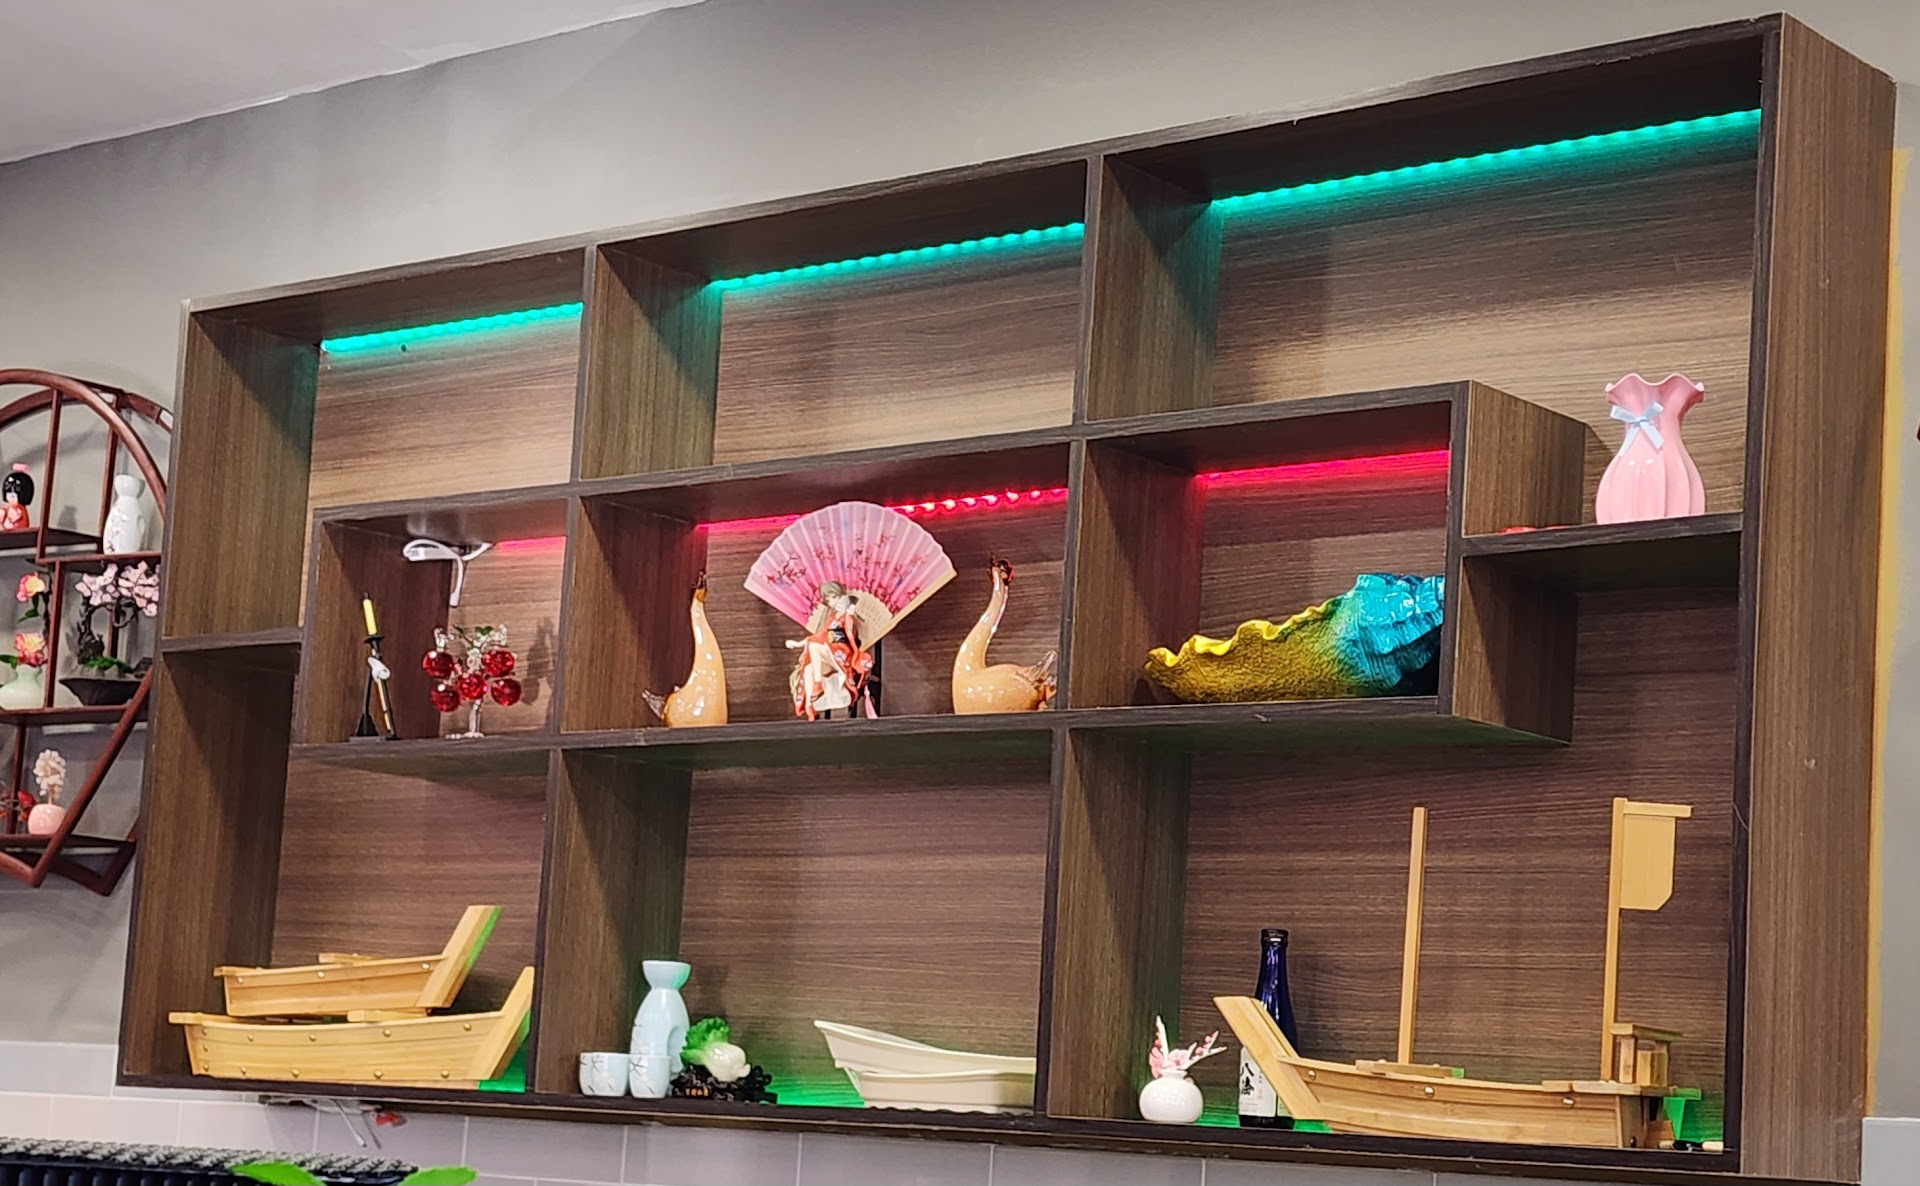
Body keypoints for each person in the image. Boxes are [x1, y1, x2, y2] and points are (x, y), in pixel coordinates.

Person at [786, 581, 874, 720]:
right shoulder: (831, 617)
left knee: (814, 646)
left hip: (842, 653)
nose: (832, 602)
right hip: (829, 652)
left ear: (842, 596)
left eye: (834, 597)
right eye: (828, 599)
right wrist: (798, 644)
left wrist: (849, 615)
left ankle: (818, 683)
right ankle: (810, 706)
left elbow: (850, 634)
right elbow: (820, 636)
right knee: (808, 669)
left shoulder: (847, 615)